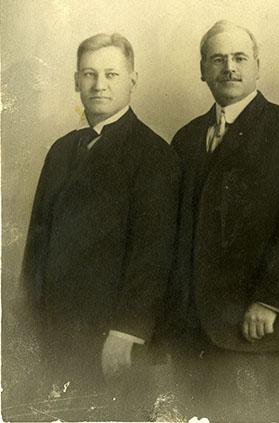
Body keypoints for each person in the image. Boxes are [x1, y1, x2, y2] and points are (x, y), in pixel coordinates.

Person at [165, 20, 279, 421]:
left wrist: (270, 299)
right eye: (218, 59)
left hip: (253, 327)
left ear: (257, 66)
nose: (229, 68)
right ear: (202, 70)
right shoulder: (186, 139)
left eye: (239, 58)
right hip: (191, 331)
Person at [20, 33, 180, 420]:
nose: (99, 85)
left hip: (112, 338)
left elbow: (153, 254)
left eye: (111, 74)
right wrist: (27, 321)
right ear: (76, 81)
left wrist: (127, 331)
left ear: (132, 80)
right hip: (54, 331)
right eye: (89, 74)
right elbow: (37, 244)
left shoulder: (153, 153)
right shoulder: (62, 150)